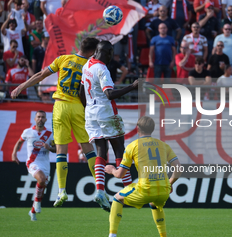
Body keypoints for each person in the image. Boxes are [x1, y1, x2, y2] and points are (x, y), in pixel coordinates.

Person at [11, 38, 99, 208]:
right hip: (79, 107)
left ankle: (62, 191)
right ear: (92, 52)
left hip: (61, 106)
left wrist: (22, 86)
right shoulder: (91, 66)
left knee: (61, 150)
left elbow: (40, 75)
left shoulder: (63, 59)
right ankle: (100, 189)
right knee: (88, 148)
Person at [97, 116, 181, 237]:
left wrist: (112, 170)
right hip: (163, 190)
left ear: (138, 129)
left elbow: (120, 174)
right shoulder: (164, 145)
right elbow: (178, 169)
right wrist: (170, 183)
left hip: (145, 189)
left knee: (117, 198)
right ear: (153, 129)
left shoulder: (133, 146)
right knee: (155, 204)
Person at [80, 41, 139, 212]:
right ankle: (128, 191)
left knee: (101, 150)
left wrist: (89, 109)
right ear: (108, 53)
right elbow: (109, 94)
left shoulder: (87, 66)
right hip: (105, 113)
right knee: (120, 149)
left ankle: (100, 190)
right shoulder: (102, 68)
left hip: (90, 113)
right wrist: (132, 86)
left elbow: (81, 92)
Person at [12, 110, 56, 221]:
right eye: (38, 117)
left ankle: (32, 211)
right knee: (41, 179)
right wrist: (14, 154)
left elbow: (56, 149)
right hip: (32, 162)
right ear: (35, 119)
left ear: (46, 120)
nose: (40, 119)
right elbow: (19, 142)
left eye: (43, 117)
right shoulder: (28, 132)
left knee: (42, 188)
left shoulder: (50, 134)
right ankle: (37, 203)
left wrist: (49, 148)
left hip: (45, 164)